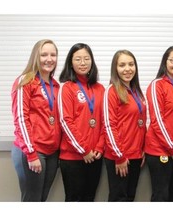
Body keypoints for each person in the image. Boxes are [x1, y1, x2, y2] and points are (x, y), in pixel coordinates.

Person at [11, 39, 61, 201]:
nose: (49, 59)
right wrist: (31, 153)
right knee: (32, 200)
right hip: (31, 150)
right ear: (35, 57)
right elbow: (21, 119)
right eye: (44, 54)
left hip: (51, 152)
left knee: (42, 198)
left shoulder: (55, 85)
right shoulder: (25, 81)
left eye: (53, 55)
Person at [58, 43, 105, 201]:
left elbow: (106, 122)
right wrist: (84, 150)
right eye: (78, 59)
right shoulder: (67, 88)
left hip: (95, 156)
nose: (83, 62)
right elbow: (66, 122)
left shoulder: (100, 89)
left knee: (89, 199)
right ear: (70, 62)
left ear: (92, 61)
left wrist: (99, 146)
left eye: (86, 58)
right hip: (73, 158)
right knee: (74, 200)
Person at [144, 45, 173, 201]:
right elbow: (157, 121)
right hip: (160, 151)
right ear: (165, 62)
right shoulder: (157, 85)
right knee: (161, 196)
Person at [103, 50, 147, 201]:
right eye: (122, 65)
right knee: (119, 199)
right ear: (115, 69)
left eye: (131, 64)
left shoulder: (136, 91)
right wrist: (119, 156)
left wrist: (142, 149)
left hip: (135, 155)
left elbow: (140, 124)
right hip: (120, 157)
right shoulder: (112, 91)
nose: (127, 69)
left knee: (130, 198)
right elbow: (109, 126)